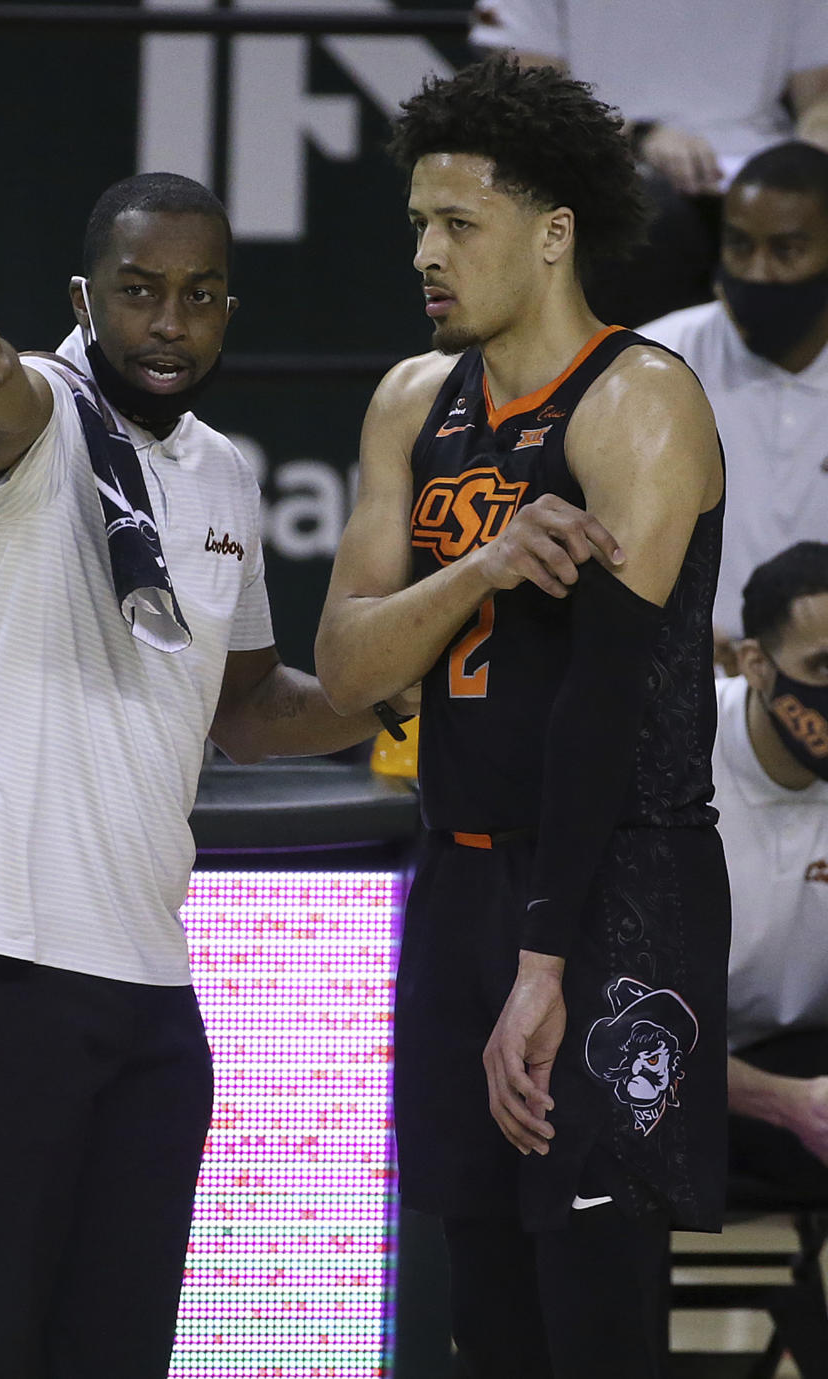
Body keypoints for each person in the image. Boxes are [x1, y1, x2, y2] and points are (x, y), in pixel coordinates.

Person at [0, 172, 412, 1379]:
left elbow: (254, 709)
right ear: (84, 297)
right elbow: (3, 397)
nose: (169, 322)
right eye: (138, 293)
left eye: (200, 294)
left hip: (143, 973)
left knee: (119, 1343)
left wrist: (414, 673)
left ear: (228, 307)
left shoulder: (222, 472)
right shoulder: (38, 414)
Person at [315, 55, 729, 1379]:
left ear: (553, 236)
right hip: (462, 874)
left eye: (459, 226)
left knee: (594, 1303)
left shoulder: (640, 400)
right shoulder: (408, 402)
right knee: (483, 1305)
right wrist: (485, 565)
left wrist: (548, 965)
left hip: (614, 882)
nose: (426, 254)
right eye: (419, 225)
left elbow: (602, 711)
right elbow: (345, 663)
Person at [470, 0, 828, 325]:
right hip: (608, 165)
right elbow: (527, 99)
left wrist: (805, 167)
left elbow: (820, 101)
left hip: (758, 172)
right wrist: (639, 136)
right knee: (652, 222)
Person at [642, 142, 828, 673]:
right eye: (740, 246)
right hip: (682, 684)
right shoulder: (649, 365)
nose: (757, 272)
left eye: (787, 250)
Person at [716, 542, 828, 1201]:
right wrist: (790, 1103)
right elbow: (608, 1014)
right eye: (823, 666)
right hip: (675, 1067)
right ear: (756, 664)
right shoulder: (664, 756)